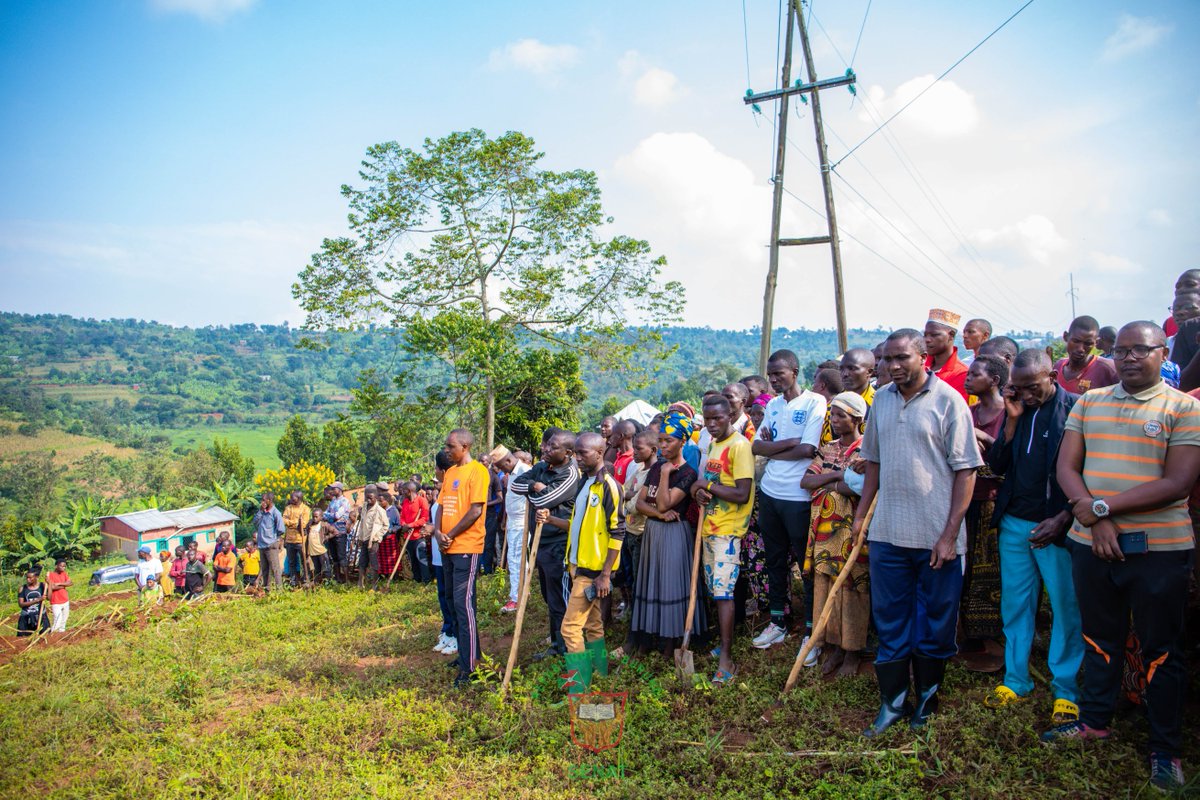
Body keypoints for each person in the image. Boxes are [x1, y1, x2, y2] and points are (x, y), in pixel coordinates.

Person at [1044, 321, 1200, 793]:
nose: (1130, 357)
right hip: (1092, 545)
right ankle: (1094, 722)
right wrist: (1095, 519)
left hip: (1158, 549)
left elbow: (1177, 484)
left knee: (1161, 651)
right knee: (1100, 638)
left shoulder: (1184, 408)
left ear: (1162, 351)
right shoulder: (1090, 402)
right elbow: (1066, 467)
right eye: (1123, 350)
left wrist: (1102, 508)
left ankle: (1165, 749)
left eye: (1141, 350)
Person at [856, 328, 982, 737]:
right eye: (887, 360)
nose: (893, 367)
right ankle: (892, 703)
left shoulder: (949, 402)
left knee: (935, 621)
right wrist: (862, 516)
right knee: (890, 619)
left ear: (922, 356)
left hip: (935, 538)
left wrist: (949, 534)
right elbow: (872, 461)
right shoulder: (882, 402)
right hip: (888, 531)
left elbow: (966, 471)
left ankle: (926, 701)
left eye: (902, 358)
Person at [983, 348, 1082, 725]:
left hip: (1058, 526)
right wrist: (1009, 423)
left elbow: (1087, 471)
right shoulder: (1017, 413)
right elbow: (997, 466)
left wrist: (1064, 516)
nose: (1025, 395)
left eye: (1032, 387)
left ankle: (1066, 689)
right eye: (1017, 388)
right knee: (1015, 606)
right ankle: (1016, 679)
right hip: (1014, 524)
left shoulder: (1076, 409)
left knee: (1065, 608)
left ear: (1052, 378)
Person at [750, 349, 826, 654]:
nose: (773, 379)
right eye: (770, 375)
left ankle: (810, 630)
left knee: (805, 565)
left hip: (798, 496)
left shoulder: (814, 402)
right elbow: (756, 445)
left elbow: (808, 449)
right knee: (775, 560)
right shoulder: (773, 405)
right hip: (770, 492)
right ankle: (778, 623)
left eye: (779, 373)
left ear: (794, 371)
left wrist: (773, 448)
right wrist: (786, 444)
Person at [548, 432, 624, 695]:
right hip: (579, 566)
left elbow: (618, 531)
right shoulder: (584, 482)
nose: (577, 458)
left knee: (569, 628)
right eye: (576, 453)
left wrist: (605, 574)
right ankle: (600, 672)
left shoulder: (608, 487)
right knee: (592, 624)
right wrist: (551, 521)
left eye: (583, 453)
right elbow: (579, 524)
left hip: (593, 571)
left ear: (600, 453)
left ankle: (579, 688)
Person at [801, 391, 869, 678]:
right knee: (826, 588)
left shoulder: (865, 450)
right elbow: (807, 481)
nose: (834, 419)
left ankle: (853, 652)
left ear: (856, 417)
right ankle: (834, 647)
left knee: (853, 589)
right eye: (833, 414)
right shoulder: (827, 448)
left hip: (852, 532)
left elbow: (861, 488)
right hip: (823, 532)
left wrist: (831, 483)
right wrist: (837, 476)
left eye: (840, 414)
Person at [629, 410, 704, 659]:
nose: (662, 446)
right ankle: (648, 639)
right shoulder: (656, 467)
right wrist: (659, 515)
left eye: (668, 441)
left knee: (671, 586)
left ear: (682, 441)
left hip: (675, 536)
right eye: (660, 440)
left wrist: (663, 476)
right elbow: (641, 504)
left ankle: (671, 645)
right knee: (652, 583)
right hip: (655, 531)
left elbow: (663, 503)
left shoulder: (687, 473)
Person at [691, 394, 755, 685]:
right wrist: (699, 491)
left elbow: (742, 494)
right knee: (714, 591)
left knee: (724, 593)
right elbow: (706, 484)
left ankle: (727, 657)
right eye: (708, 420)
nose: (712, 424)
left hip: (728, 531)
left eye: (718, 418)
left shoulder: (739, 446)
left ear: (731, 415)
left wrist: (709, 486)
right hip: (709, 527)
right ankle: (721, 643)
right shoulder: (713, 444)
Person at [425, 429, 490, 688]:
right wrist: (438, 533)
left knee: (464, 607)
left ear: (465, 446)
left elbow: (475, 510)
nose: (447, 450)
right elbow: (442, 506)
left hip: (467, 546)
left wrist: (449, 535)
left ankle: (470, 668)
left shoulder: (478, 472)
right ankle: (468, 653)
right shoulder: (450, 472)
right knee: (453, 601)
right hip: (447, 547)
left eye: (451, 446)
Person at [509, 428, 582, 661]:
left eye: (553, 447)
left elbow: (544, 500)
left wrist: (538, 491)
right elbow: (516, 486)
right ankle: (555, 643)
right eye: (547, 445)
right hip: (540, 542)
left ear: (568, 452)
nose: (546, 450)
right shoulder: (542, 467)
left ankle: (567, 648)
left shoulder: (569, 474)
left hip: (559, 544)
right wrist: (535, 486)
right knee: (548, 596)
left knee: (560, 598)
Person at [959, 354, 1009, 661]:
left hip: (994, 501)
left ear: (995, 380)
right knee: (965, 571)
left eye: (975, 374)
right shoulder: (968, 412)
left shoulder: (1010, 415)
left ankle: (992, 636)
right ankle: (968, 635)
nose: (968, 378)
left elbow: (1008, 456)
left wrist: (982, 437)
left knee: (991, 571)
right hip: (965, 500)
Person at [489, 446, 529, 611]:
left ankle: (517, 597)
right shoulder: (511, 473)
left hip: (522, 522)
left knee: (516, 560)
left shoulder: (524, 471)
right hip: (513, 521)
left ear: (507, 460)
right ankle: (520, 592)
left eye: (501, 465)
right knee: (514, 560)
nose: (500, 469)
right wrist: (506, 519)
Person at [428, 451, 458, 657]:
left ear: (441, 470)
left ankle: (455, 635)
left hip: (450, 551)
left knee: (453, 596)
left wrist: (435, 531)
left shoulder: (451, 494)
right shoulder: (442, 494)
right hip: (438, 555)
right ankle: (448, 630)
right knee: (444, 595)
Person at [1054, 315, 1118, 394]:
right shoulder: (1058, 367)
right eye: (1076, 341)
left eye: (1088, 344)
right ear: (1066, 337)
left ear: (1096, 342)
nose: (1081, 349)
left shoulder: (1108, 369)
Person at [924, 308, 970, 401]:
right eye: (925, 335)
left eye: (934, 335)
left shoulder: (962, 374)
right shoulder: (919, 366)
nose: (927, 340)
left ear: (951, 335)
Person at [399, 481, 432, 584]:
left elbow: (424, 519)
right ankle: (417, 580)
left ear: (409, 491)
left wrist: (411, 525)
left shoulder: (422, 501)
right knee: (412, 560)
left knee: (421, 558)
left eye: (404, 490)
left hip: (418, 536)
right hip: (407, 535)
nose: (402, 492)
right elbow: (402, 517)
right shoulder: (405, 502)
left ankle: (426, 580)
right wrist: (404, 525)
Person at [253, 492, 285, 592]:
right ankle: (267, 590)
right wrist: (260, 511)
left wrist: (274, 540)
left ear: (269, 501)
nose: (262, 502)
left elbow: (281, 529)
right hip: (262, 545)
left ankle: (279, 591)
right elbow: (255, 522)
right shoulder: (262, 512)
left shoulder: (276, 513)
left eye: (263, 500)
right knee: (265, 569)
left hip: (271, 545)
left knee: (275, 569)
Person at [357, 488, 389, 589]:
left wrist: (378, 536)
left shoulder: (380, 510)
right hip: (364, 539)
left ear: (375, 497)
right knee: (362, 562)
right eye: (367, 498)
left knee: (374, 562)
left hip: (373, 540)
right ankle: (360, 584)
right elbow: (362, 524)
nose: (368, 500)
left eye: (370, 498)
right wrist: (360, 537)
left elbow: (386, 525)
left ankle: (374, 585)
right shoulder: (364, 508)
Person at [281, 490, 310, 587]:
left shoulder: (305, 509)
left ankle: (306, 578)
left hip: (301, 539)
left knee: (304, 560)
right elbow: (283, 520)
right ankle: (293, 580)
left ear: (299, 498)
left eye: (293, 497)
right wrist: (295, 523)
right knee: (291, 561)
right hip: (290, 539)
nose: (290, 498)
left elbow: (304, 523)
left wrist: (292, 523)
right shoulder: (288, 508)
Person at [324, 482, 351, 583]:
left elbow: (337, 515)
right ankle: (338, 578)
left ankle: (347, 580)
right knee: (334, 557)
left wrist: (329, 515)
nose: (331, 491)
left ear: (339, 489)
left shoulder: (345, 501)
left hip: (340, 532)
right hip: (331, 533)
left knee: (342, 557)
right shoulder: (333, 502)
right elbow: (325, 514)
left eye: (333, 488)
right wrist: (330, 515)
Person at [482, 455, 504, 575]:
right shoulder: (475, 475)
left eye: (484, 460)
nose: (482, 462)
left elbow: (500, 498)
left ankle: (487, 571)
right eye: (480, 460)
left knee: (489, 543)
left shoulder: (494, 476)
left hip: (490, 514)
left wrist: (487, 504)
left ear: (489, 462)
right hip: (476, 513)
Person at [839, 348, 877, 418]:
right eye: (841, 369)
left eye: (852, 368)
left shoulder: (878, 403)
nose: (845, 374)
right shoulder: (836, 402)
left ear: (869, 372)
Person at [812, 367, 845, 445]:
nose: (812, 386)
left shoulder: (826, 411)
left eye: (815, 383)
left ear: (822, 386)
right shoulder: (842, 408)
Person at [16, 570, 48, 636]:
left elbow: (49, 598)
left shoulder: (42, 586)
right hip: (26, 616)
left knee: (45, 635)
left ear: (36, 577)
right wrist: (37, 600)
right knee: (23, 638)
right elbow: (21, 604)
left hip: (41, 615)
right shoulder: (23, 588)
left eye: (30, 578)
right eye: (27, 578)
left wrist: (49, 584)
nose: (28, 580)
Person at [46, 559, 71, 632]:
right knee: (58, 619)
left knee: (64, 620)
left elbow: (70, 583)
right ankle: (52, 634)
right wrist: (64, 585)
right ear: (56, 566)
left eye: (64, 566)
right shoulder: (50, 575)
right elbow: (52, 587)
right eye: (61, 566)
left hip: (65, 600)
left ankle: (61, 635)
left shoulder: (64, 574)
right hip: (56, 601)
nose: (63, 568)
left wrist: (59, 584)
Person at [306, 508, 328, 585]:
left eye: (316, 516)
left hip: (321, 551)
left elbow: (335, 532)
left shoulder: (323, 525)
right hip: (313, 552)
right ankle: (317, 584)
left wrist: (326, 538)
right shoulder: (310, 525)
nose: (314, 518)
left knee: (325, 568)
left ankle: (327, 584)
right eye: (313, 517)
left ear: (321, 517)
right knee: (316, 569)